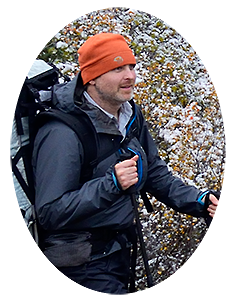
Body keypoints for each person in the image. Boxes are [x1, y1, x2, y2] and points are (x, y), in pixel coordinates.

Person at [32, 33, 222, 294]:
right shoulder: (62, 132)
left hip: (118, 255)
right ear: (93, 77)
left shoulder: (129, 115)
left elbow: (154, 173)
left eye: (131, 66)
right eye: (117, 68)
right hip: (79, 267)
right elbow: (50, 211)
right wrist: (111, 184)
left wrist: (201, 202)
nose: (130, 75)